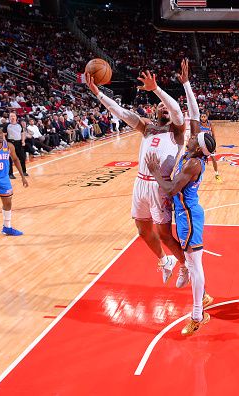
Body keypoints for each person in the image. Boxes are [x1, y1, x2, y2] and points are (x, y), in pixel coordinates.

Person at [85, 67, 187, 283]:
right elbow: (120, 112)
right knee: (142, 230)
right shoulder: (146, 127)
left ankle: (185, 266)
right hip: (140, 183)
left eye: (166, 106)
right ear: (155, 112)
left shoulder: (177, 131)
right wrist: (97, 93)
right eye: (160, 106)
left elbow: (176, 110)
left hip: (160, 186)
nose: (164, 108)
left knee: (165, 235)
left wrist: (157, 89)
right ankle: (164, 260)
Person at [146, 131, 217, 336]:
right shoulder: (190, 156)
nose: (192, 137)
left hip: (189, 217)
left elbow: (170, 189)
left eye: (195, 138)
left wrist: (155, 172)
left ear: (197, 148)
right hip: (184, 215)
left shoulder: (193, 163)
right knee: (191, 263)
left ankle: (197, 315)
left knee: (195, 265)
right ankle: (201, 297)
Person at [199, 112, 222, 183]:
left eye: (204, 117)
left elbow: (213, 135)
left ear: (207, 117)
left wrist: (214, 145)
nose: (203, 118)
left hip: (210, 145)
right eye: (202, 117)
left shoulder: (210, 124)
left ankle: (217, 174)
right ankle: (198, 176)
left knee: (214, 159)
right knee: (200, 161)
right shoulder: (198, 125)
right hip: (202, 145)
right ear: (200, 117)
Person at [4, 112, 28, 179]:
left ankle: (24, 171)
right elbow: (3, 134)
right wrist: (5, 143)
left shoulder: (19, 125)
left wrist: (23, 141)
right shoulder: (6, 125)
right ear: (9, 118)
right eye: (11, 116)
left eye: (13, 116)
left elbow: (22, 133)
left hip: (19, 142)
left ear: (16, 117)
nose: (12, 117)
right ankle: (10, 174)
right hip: (11, 143)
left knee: (22, 157)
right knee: (10, 159)